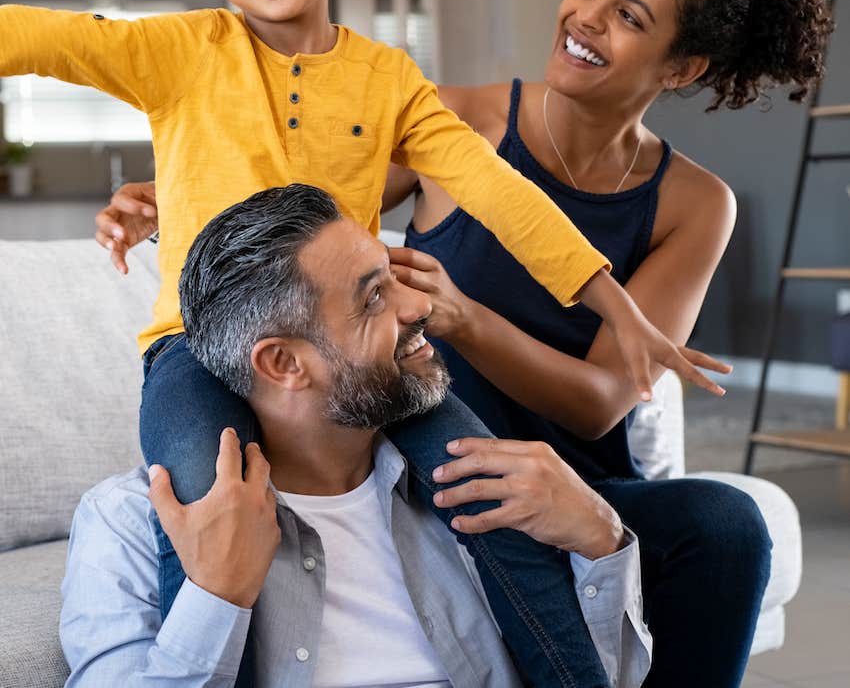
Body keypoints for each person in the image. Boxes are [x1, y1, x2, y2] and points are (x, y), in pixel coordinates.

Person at [1, 0, 724, 688]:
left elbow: (501, 194)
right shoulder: (179, 52)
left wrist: (618, 306)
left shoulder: (390, 81)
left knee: (487, 495)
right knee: (201, 499)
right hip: (194, 350)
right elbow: (40, 37)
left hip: (357, 352)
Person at [101, 0, 832, 687]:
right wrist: (172, 201)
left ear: (681, 68)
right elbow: (307, 220)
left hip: (567, 476)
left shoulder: (694, 203)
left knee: (728, 526)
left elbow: (598, 403)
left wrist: (463, 319)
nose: (586, 16)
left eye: (628, 15)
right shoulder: (456, 119)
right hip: (427, 469)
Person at [60, 184, 652, 687]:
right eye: (375, 298)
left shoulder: (479, 490)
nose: (422, 305)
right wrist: (216, 595)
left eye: (396, 279)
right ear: (285, 364)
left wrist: (600, 540)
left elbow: (598, 674)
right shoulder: (129, 523)